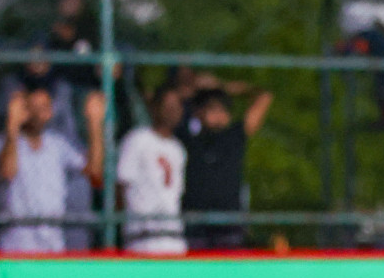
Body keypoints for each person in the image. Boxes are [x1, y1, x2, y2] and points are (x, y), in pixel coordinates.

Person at [0, 87, 105, 253]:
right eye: (33, 108)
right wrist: (12, 125)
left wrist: (94, 124)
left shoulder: (57, 144)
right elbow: (7, 171)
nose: (38, 114)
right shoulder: (3, 143)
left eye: (44, 108)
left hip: (53, 244)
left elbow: (94, 172)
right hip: (16, 244)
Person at [179, 86, 272, 250]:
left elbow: (264, 96)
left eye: (223, 109)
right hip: (195, 225)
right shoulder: (187, 138)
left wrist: (224, 86)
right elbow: (165, 101)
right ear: (198, 111)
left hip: (229, 225)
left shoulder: (235, 136)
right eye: (212, 108)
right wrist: (200, 89)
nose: (219, 114)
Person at [116, 84, 188, 255]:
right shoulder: (137, 139)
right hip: (142, 239)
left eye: (177, 106)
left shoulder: (178, 149)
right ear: (155, 107)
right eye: (168, 105)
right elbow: (120, 188)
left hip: (173, 239)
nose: (173, 111)